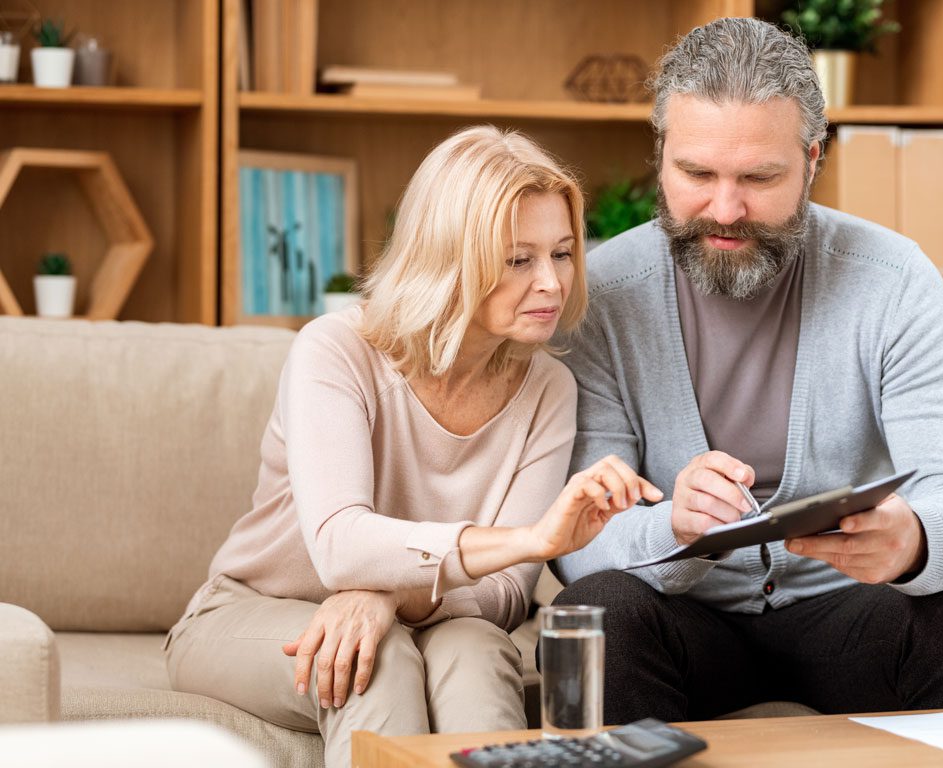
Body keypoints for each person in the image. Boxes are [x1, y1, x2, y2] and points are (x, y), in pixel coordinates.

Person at [551, 17, 943, 724]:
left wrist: (915, 540)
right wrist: (675, 529)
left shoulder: (895, 279)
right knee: (595, 616)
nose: (725, 209)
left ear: (813, 159)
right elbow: (581, 540)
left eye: (759, 177)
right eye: (696, 173)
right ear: (661, 155)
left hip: (849, 612)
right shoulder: (600, 296)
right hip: (682, 616)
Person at [166, 125, 661, 767]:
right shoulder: (336, 351)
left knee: (478, 652)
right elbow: (341, 544)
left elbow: (506, 596)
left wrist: (383, 594)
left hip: (432, 620)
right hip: (256, 610)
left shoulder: (549, 389)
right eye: (519, 260)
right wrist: (530, 540)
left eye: (562, 253)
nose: (551, 283)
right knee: (374, 659)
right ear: (450, 257)